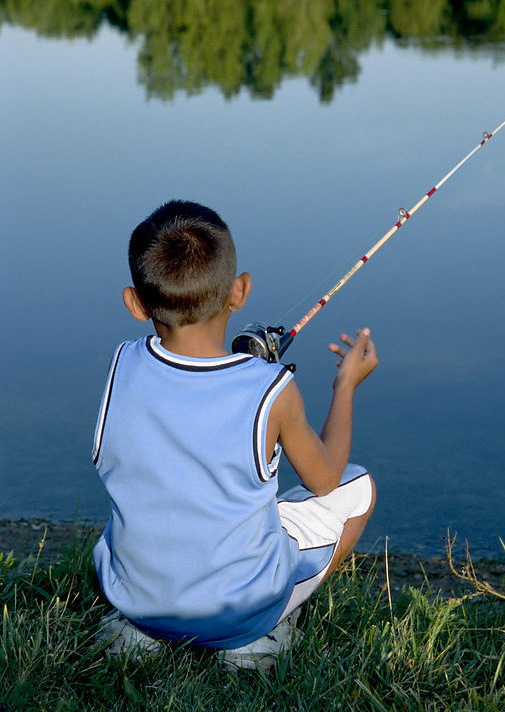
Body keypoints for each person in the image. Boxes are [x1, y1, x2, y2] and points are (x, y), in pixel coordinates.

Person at [92, 199, 377, 667]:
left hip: (136, 601)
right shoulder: (272, 390)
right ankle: (260, 633)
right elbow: (324, 478)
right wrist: (345, 386)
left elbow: (183, 406)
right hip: (237, 613)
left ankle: (138, 637)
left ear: (134, 303)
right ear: (240, 291)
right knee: (357, 485)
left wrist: (246, 372)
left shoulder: (120, 366)